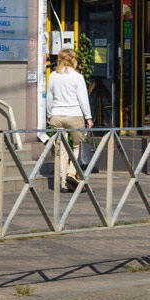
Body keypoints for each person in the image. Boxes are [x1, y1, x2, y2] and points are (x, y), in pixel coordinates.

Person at [46, 48, 93, 193]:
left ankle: (63, 184)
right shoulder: (77, 77)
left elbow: (49, 98)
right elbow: (83, 99)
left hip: (57, 116)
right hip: (74, 115)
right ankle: (72, 173)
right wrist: (88, 117)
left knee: (61, 150)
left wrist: (49, 114)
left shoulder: (53, 76)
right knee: (78, 146)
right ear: (73, 59)